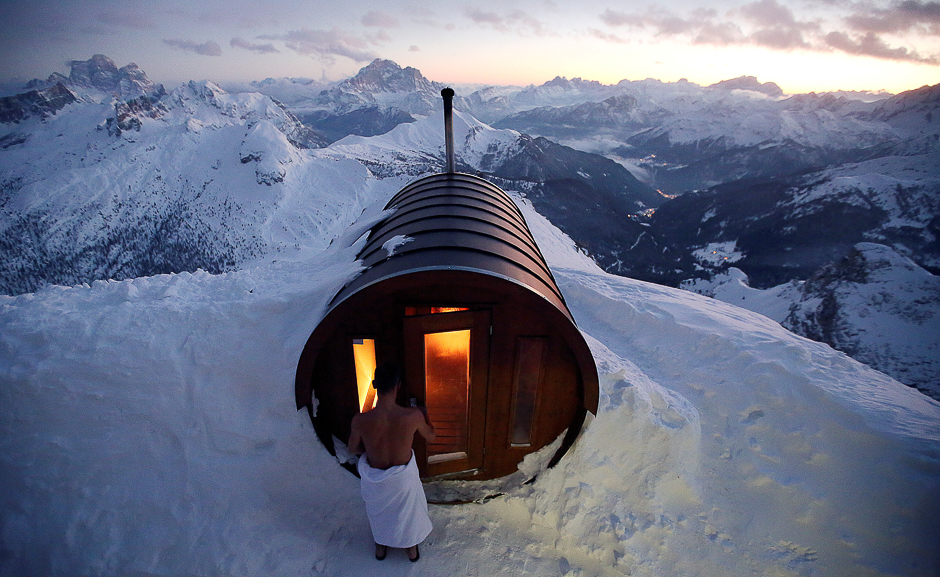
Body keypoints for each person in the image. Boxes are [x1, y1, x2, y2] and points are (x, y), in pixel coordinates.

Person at [348, 362, 436, 562]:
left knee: (380, 513)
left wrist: (370, 449)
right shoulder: (412, 416)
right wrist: (425, 414)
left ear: (375, 384)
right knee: (407, 512)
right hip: (403, 480)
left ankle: (381, 547)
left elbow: (352, 449)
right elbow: (431, 436)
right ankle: (411, 549)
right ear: (398, 386)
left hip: (375, 479)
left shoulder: (360, 420)